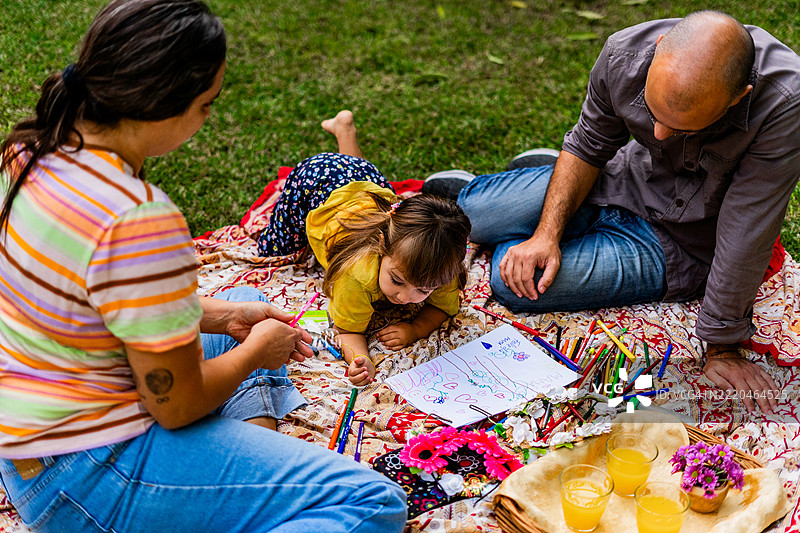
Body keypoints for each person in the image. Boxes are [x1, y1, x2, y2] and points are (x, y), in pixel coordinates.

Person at [0, 1, 407, 532]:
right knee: (372, 503)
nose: (207, 119)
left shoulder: (26, 151)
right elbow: (176, 405)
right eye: (207, 105)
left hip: (27, 443)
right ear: (165, 104)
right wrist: (256, 354)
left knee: (244, 312)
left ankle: (231, 485)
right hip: (86, 475)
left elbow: (83, 296)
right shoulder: (137, 217)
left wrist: (222, 318)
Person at [425, 10, 800, 414]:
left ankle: (541, 191)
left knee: (509, 281)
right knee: (468, 216)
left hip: (679, 241)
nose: (659, 134)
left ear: (738, 97)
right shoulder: (625, 52)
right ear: (658, 51)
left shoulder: (786, 104)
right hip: (619, 178)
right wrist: (545, 235)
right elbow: (589, 143)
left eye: (682, 129)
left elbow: (746, 227)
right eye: (653, 114)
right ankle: (539, 196)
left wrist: (722, 344)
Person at [257, 110, 471, 387]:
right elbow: (347, 330)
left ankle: (344, 129)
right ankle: (339, 143)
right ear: (382, 245)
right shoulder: (356, 274)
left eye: (423, 290)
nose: (405, 297)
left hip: (364, 179)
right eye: (397, 280)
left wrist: (416, 329)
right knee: (273, 250)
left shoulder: (441, 264)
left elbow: (444, 307)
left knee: (354, 173)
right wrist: (360, 357)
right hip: (314, 183)